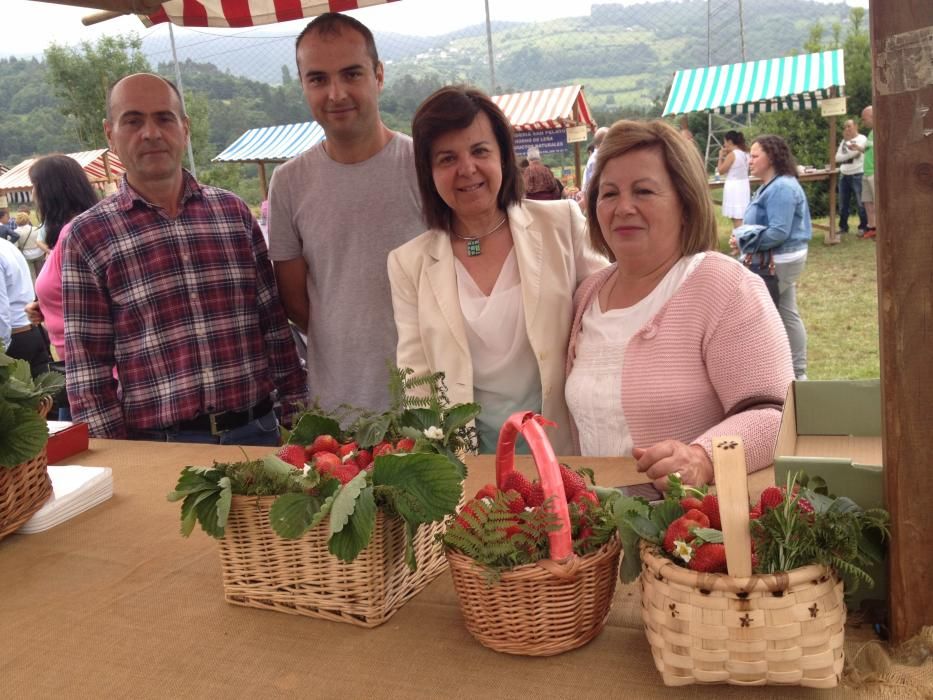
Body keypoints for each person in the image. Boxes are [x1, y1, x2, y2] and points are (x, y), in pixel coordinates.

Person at [62, 73, 307, 444]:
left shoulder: (233, 214)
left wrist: (300, 416)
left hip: (257, 433)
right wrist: (121, 461)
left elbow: (274, 326)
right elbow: (87, 370)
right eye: (133, 120)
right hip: (160, 447)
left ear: (185, 128)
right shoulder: (89, 235)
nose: (151, 133)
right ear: (110, 134)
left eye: (164, 118)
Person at [565, 119, 793, 489]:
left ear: (685, 203)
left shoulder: (723, 286)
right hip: (597, 533)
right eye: (608, 194)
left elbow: (776, 414)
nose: (623, 207)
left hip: (689, 533)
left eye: (643, 191)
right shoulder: (586, 295)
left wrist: (704, 458)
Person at [388, 86, 606, 455]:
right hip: (470, 465)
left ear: (504, 157)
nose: (467, 169)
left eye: (479, 151)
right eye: (446, 158)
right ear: (429, 173)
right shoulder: (409, 263)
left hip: (564, 449)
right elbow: (417, 384)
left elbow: (608, 318)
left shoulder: (560, 224)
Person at [268, 12, 422, 414]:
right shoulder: (287, 182)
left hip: (433, 401)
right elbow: (296, 303)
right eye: (318, 79)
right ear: (303, 85)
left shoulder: (425, 166)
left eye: (351, 74)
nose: (335, 93)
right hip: (338, 409)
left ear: (379, 76)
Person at [740, 134, 812, 381]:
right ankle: (797, 373)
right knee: (787, 312)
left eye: (755, 155)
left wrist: (743, 240)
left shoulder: (781, 187)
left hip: (778, 261)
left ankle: (785, 372)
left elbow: (779, 232)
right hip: (776, 260)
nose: (750, 160)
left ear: (770, 157)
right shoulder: (773, 184)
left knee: (765, 316)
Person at [27, 154, 100, 363]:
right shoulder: (69, 234)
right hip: (79, 360)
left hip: (92, 368)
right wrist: (46, 306)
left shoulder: (74, 233)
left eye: (34, 186)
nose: (32, 195)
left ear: (49, 190)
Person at [1, 235, 52, 377]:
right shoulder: (6, 245)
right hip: (31, 332)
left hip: (13, 340)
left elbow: (1, 312)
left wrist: (2, 352)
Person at [834, 118, 868, 238]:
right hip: (844, 175)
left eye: (849, 126)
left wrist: (845, 155)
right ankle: (843, 227)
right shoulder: (843, 141)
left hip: (857, 174)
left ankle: (863, 227)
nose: (847, 129)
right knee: (843, 203)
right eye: (845, 127)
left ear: (856, 126)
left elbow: (855, 153)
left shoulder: (862, 139)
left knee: (861, 203)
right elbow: (836, 158)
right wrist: (846, 153)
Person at [716, 130, 750, 229]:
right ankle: (740, 236)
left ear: (730, 141)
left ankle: (739, 238)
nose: (724, 144)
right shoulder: (745, 153)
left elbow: (721, 170)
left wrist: (720, 157)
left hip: (734, 187)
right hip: (743, 185)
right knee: (741, 214)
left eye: (725, 142)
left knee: (736, 217)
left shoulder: (732, 155)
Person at [855, 105, 876, 239]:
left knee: (877, 201)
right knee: (867, 202)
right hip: (867, 171)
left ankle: (882, 227)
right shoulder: (871, 132)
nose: (863, 122)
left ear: (873, 116)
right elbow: (868, 149)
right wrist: (858, 148)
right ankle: (872, 227)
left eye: (864, 119)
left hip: (875, 171)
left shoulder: (880, 129)